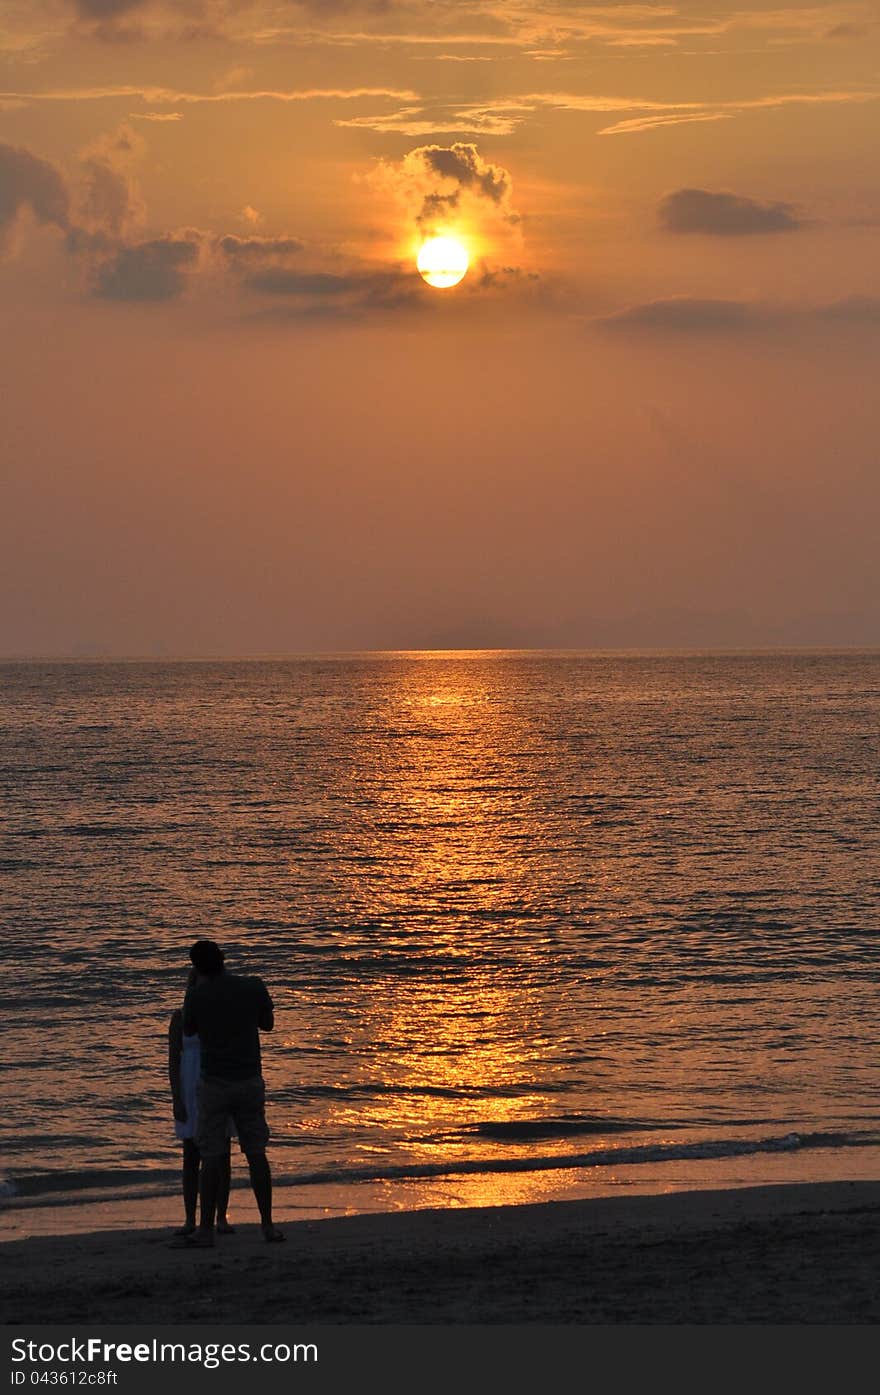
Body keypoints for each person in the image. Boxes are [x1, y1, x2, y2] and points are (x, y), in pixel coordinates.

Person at [172, 939, 283, 1247]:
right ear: (223, 959)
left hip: (214, 1083)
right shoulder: (253, 986)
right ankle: (268, 1226)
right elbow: (268, 1024)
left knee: (210, 1155)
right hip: (249, 1079)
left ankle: (206, 1228)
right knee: (256, 1154)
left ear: (197, 967)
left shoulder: (196, 996)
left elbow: (190, 1029)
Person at [168, 969, 234, 1237]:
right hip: (189, 1089)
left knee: (221, 1155)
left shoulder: (220, 1018)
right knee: (191, 1155)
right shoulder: (180, 1018)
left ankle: (220, 1217)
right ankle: (189, 1218)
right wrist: (176, 1099)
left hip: (216, 1086)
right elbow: (173, 1061)